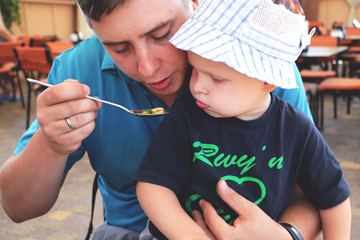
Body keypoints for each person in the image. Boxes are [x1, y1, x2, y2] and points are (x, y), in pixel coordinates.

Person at [0, 0, 321, 239]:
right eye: (118, 48)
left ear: (195, 4)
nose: (147, 67)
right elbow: (17, 208)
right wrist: (51, 143)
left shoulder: (256, 63)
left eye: (161, 34)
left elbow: (314, 191)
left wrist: (287, 234)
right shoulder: (78, 70)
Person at [135, 0, 351, 239]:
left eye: (216, 79)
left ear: (268, 80)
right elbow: (153, 186)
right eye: (195, 69)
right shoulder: (187, 114)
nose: (196, 87)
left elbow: (334, 197)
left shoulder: (297, 130)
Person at [0, 23, 21, 101]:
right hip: (1, 61)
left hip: (11, 59)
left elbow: (14, 42)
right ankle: (5, 90)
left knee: (8, 68)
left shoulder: (1, 30)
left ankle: (18, 90)